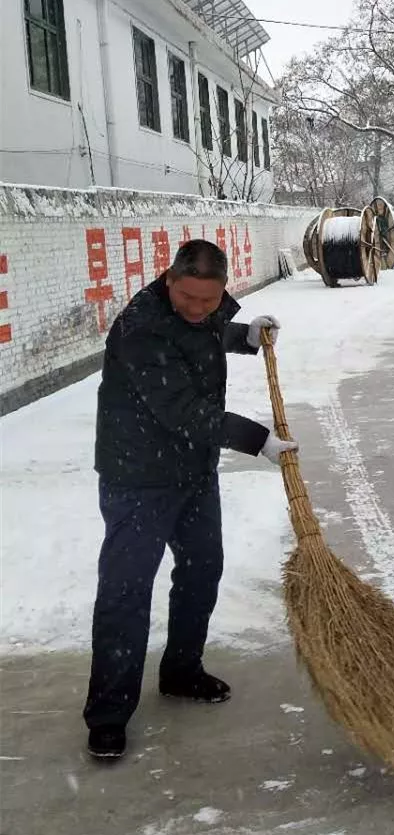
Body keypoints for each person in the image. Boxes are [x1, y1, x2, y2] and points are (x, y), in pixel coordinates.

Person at [84, 239, 297, 760]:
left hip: (192, 470)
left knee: (202, 569)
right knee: (126, 593)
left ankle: (181, 670)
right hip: (137, 478)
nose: (198, 309)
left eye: (210, 300)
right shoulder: (141, 327)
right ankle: (108, 715)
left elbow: (200, 333)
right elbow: (184, 411)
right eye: (188, 298)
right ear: (169, 279)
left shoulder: (196, 315)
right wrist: (258, 440)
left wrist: (244, 336)